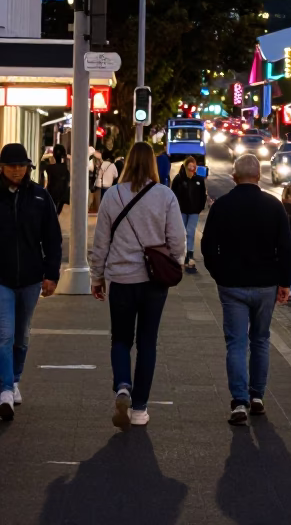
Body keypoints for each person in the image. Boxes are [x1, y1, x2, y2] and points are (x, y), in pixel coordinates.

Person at [89, 141, 186, 430]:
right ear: (153, 165)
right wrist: (175, 264)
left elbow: (101, 242)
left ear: (128, 162)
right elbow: (178, 240)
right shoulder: (165, 196)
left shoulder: (112, 195)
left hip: (121, 279)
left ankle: (122, 387)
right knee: (147, 343)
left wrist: (97, 277)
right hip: (154, 282)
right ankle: (141, 408)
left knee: (120, 338)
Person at [201, 153, 291, 426]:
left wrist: (219, 274)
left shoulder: (222, 206)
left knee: (236, 343)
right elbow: (286, 248)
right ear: (259, 176)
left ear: (234, 177)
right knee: (261, 340)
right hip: (265, 284)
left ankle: (239, 401)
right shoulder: (274, 207)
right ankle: (257, 397)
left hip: (232, 285)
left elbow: (207, 246)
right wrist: (284, 283)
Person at [0, 143, 62, 421]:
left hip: (30, 278)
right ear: (1, 167)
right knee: (4, 334)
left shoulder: (39, 196)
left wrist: (52, 274)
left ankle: (14, 380)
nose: (16, 170)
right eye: (11, 165)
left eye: (21, 165)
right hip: (1, 278)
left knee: (22, 334)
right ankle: (4, 391)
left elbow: (52, 238)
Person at [170, 157, 207, 274]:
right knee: (182, 233)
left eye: (193, 167)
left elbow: (203, 196)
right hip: (181, 211)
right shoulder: (179, 179)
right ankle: (182, 254)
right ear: (185, 166)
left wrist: (199, 208)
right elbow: (173, 194)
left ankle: (189, 255)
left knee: (190, 232)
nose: (192, 169)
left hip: (194, 211)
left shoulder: (199, 180)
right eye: (190, 166)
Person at [42, 143, 71, 217]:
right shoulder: (66, 169)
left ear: (54, 155)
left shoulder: (49, 168)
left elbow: (42, 159)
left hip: (52, 195)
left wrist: (49, 155)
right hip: (64, 197)